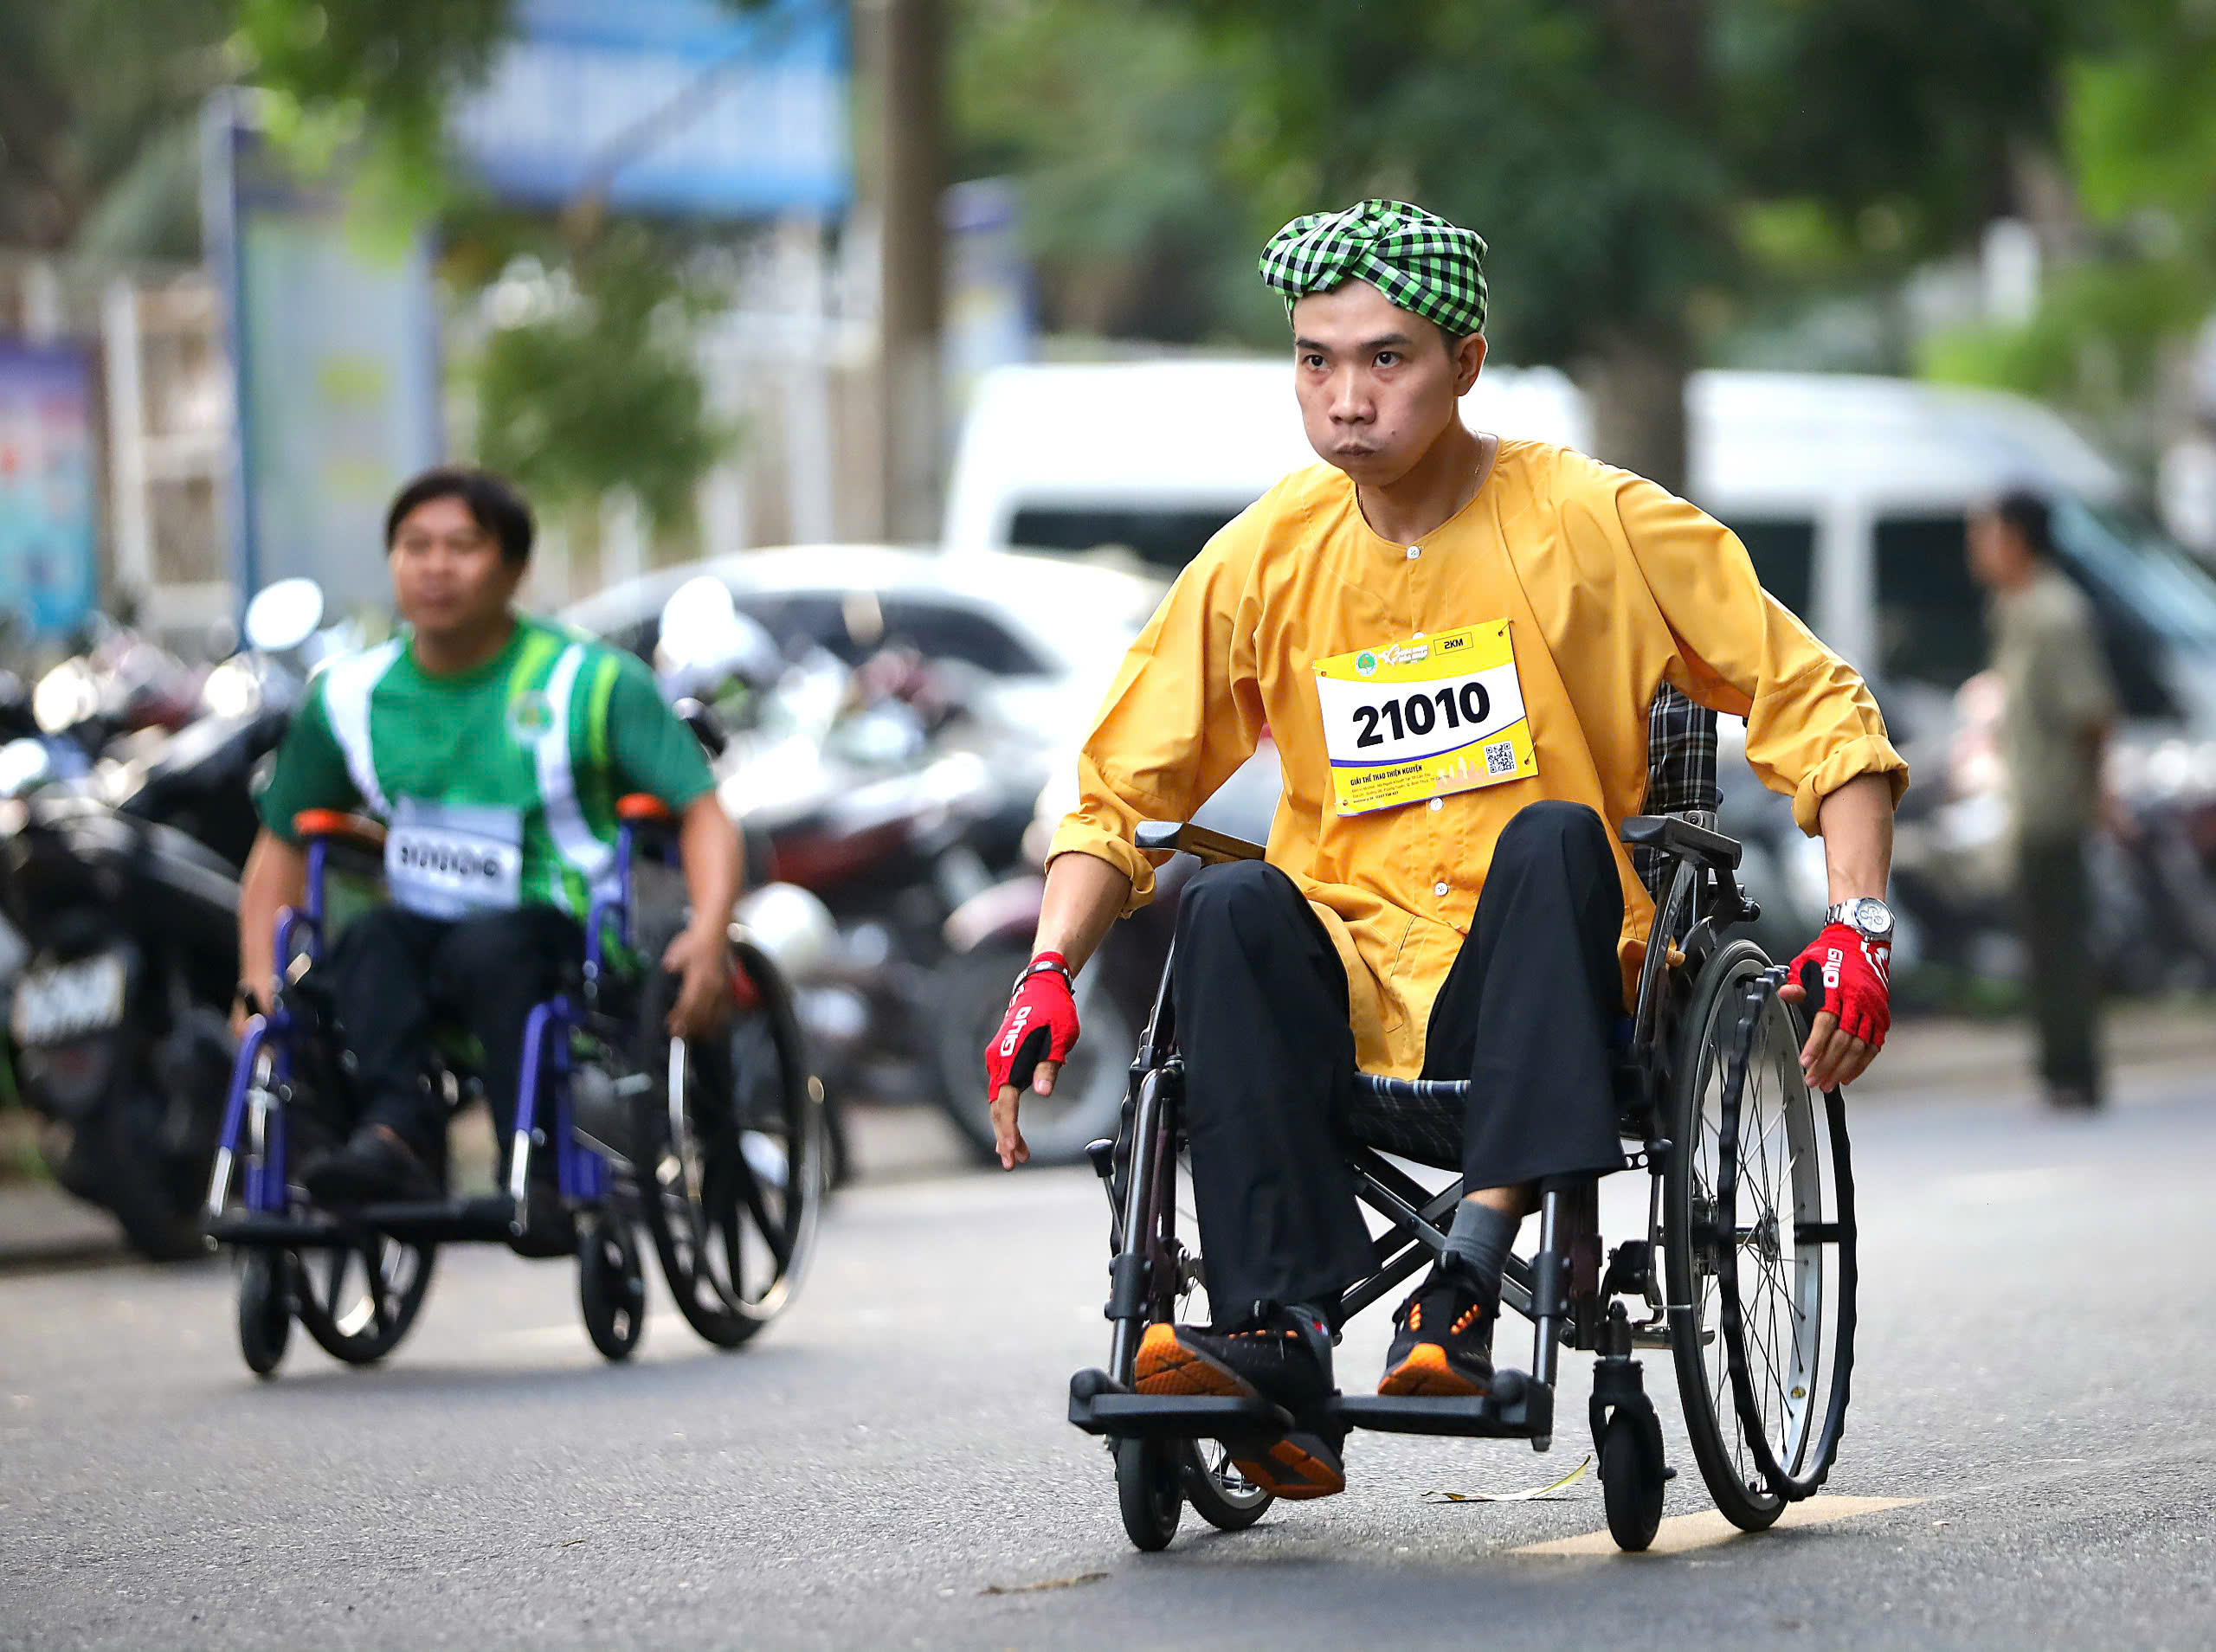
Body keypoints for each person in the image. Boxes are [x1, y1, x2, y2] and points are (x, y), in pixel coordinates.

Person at [983, 200, 1907, 1500]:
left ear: (1466, 362)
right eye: (1316, 360)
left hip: (1553, 976)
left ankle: (1466, 1285)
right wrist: (1047, 968)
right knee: (1233, 905)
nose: (1344, 398)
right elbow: (1117, 787)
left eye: (1385, 359)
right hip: (1350, 980)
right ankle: (1275, 1339)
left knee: (1551, 839)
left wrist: (1858, 926)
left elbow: (1823, 710)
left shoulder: (1601, 524)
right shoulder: (1264, 558)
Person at [235, 466, 742, 1231]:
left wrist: (708, 936)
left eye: (462, 546)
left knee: (489, 947)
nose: (435, 566)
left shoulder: (592, 682)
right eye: (415, 547)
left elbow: (704, 816)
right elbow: (279, 845)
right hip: (420, 931)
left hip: (563, 929)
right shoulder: (349, 696)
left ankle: (529, 1151)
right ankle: (395, 1133)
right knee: (367, 939)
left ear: (513, 567)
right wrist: (254, 980)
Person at [1967, 490, 2118, 1110]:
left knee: (2061, 942)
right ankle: (2059, 1067)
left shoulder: (2056, 613)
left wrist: (2100, 794)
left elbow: (2092, 714)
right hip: (2025, 800)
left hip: (2054, 804)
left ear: (2016, 539)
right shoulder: (2014, 608)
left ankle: (2074, 1069)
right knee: (2044, 940)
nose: (1977, 549)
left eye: (1986, 534)